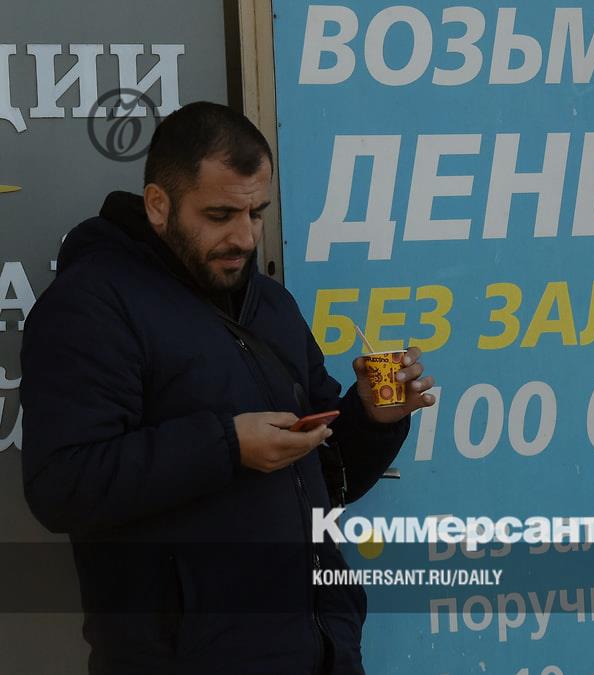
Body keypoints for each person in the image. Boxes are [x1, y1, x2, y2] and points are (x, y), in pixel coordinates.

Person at [20, 101, 435, 674]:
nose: (244, 236)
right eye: (220, 215)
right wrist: (228, 447)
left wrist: (371, 418)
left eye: (256, 213)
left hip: (321, 654)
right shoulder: (91, 306)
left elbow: (329, 477)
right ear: (159, 205)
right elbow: (62, 486)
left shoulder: (273, 305)